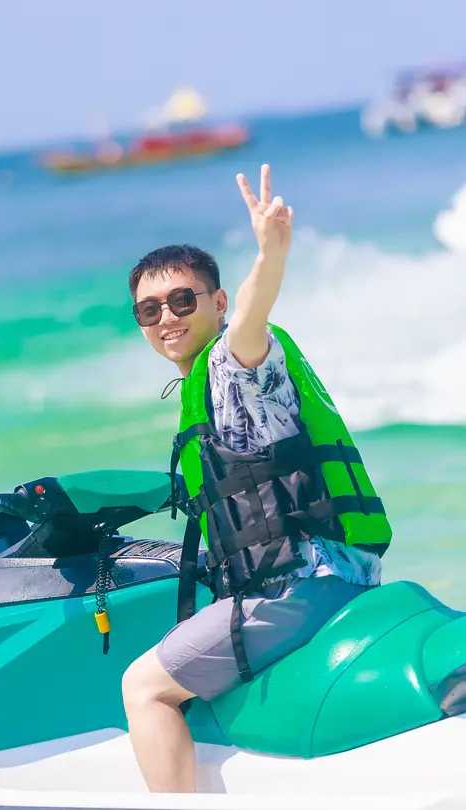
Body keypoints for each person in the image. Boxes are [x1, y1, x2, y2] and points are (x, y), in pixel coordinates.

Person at [122, 164, 390, 793]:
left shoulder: (231, 362)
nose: (167, 318)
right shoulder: (201, 389)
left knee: (143, 688)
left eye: (184, 300)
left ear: (215, 303)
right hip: (334, 567)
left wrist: (270, 255)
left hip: (301, 584)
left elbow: (250, 322)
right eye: (149, 309)